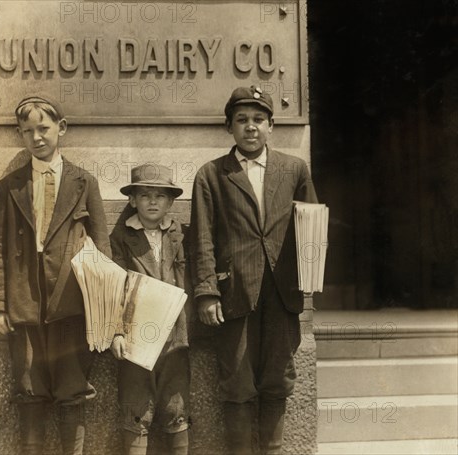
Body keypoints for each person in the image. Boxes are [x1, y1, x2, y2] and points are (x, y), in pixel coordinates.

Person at [189, 85, 318, 455]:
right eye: (242, 120)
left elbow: (310, 226)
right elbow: (201, 238)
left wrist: (309, 276)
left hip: (283, 293)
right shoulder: (211, 175)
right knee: (238, 382)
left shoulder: (295, 169)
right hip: (234, 296)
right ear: (229, 127)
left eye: (259, 120)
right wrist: (207, 291)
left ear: (272, 126)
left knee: (278, 378)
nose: (251, 127)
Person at [0, 93, 111, 455]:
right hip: (24, 306)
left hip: (72, 304)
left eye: (44, 128)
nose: (37, 137)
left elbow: (102, 247)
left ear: (62, 128)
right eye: (28, 131)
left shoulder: (83, 183)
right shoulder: (10, 186)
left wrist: (106, 310)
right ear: (20, 135)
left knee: (72, 390)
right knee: (29, 390)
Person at [110, 164, 190, 455]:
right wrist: (117, 331)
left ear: (170, 202)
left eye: (160, 196)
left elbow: (187, 279)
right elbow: (114, 287)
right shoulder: (121, 237)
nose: (153, 201)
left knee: (176, 404)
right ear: (133, 201)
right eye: (145, 195)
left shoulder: (179, 234)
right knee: (135, 405)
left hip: (174, 337)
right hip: (136, 336)